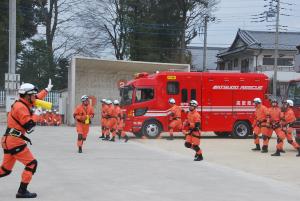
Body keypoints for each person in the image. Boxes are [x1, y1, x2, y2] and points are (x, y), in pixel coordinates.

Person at [0, 80, 53, 198]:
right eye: (33, 95)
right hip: (14, 141)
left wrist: (47, 90)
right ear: (27, 95)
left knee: (5, 170)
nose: (35, 97)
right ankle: (22, 191)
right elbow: (29, 125)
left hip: (9, 140)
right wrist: (37, 114)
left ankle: (22, 190)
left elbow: (37, 97)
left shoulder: (25, 102)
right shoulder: (20, 107)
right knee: (32, 164)